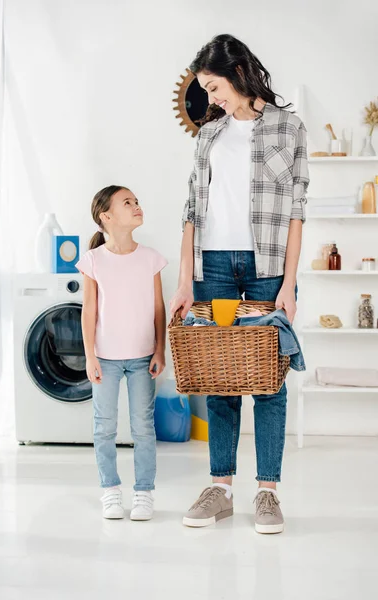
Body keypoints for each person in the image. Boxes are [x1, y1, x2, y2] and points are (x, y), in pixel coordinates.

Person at [170, 34, 309, 533]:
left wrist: (290, 283)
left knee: (269, 380)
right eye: (206, 90)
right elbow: (191, 210)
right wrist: (186, 279)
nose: (211, 98)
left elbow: (296, 211)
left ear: (239, 72)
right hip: (214, 266)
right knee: (219, 379)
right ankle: (220, 488)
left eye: (214, 87)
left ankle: (267, 492)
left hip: (268, 266)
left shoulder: (288, 127)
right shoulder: (210, 134)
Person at [77, 185, 167, 521]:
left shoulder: (151, 258)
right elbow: (89, 311)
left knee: (144, 427)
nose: (136, 205)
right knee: (104, 428)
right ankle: (110, 491)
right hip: (106, 359)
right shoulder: (93, 261)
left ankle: (144, 492)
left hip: (144, 358)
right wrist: (90, 356)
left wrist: (160, 350)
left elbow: (158, 308)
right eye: (127, 202)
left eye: (137, 201)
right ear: (107, 216)